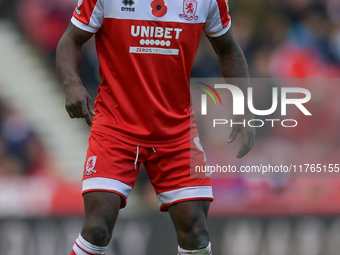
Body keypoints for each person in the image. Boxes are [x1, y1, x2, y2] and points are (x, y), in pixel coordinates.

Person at [56, 0, 255, 254]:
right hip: (116, 128)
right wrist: (72, 83)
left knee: (196, 233)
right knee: (97, 229)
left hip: (176, 132)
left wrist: (245, 105)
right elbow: (70, 39)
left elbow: (228, 49)